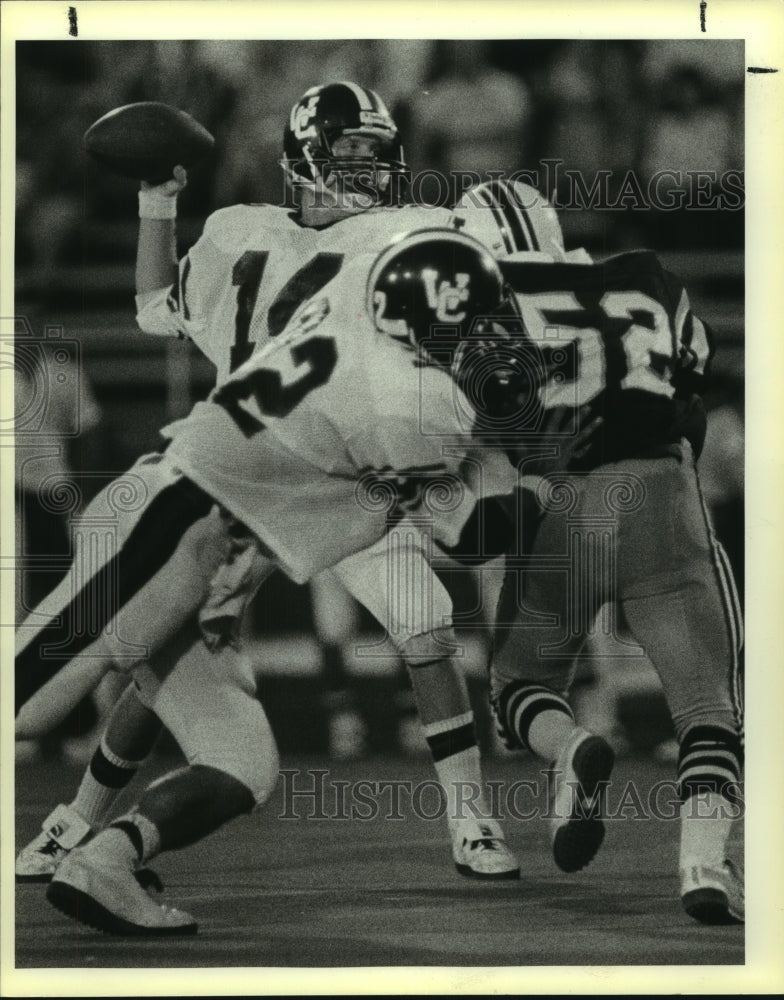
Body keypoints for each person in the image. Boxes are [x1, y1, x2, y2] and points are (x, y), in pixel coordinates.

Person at [19, 227, 595, 934]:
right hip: (173, 530)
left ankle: (102, 860)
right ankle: (78, 824)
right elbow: (477, 537)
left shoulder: (355, 303)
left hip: (208, 563)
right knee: (29, 699)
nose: (485, 336)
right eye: (470, 324)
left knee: (241, 765)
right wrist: (543, 464)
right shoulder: (406, 404)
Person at [16, 82, 521, 886]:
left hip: (341, 475)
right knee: (161, 645)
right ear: (303, 154)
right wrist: (158, 200)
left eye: (375, 152)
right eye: (350, 149)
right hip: (258, 473)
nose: (369, 166)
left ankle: (471, 818)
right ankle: (74, 821)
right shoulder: (258, 231)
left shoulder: (341, 231)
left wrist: (157, 204)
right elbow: (155, 308)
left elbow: (153, 307)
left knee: (423, 626)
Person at [456, 180, 744, 925]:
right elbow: (690, 396)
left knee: (518, 689)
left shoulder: (479, 313)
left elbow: (474, 426)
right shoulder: (647, 275)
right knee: (709, 708)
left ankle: (573, 744)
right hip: (661, 497)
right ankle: (704, 866)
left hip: (559, 503)